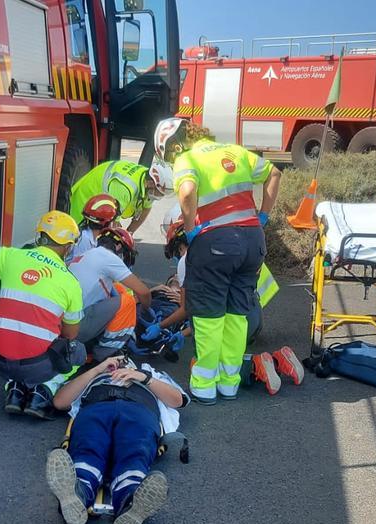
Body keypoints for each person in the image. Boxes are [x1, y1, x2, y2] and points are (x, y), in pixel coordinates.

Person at [154, 117, 283, 403]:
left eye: (169, 154)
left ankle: (203, 385)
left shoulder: (188, 159)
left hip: (215, 243)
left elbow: (187, 192)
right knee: (237, 314)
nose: (173, 160)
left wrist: (189, 230)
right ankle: (229, 383)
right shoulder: (236, 151)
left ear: (175, 145)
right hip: (252, 241)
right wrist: (263, 215)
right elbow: (274, 173)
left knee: (210, 316)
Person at [146, 205, 305, 395]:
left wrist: (161, 327)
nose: (179, 255)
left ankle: (256, 364)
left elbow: (191, 310)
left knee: (205, 362)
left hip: (226, 319)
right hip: (251, 316)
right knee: (228, 352)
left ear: (180, 242)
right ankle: (279, 360)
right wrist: (184, 332)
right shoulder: (233, 243)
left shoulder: (189, 259)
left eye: (178, 249)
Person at [45, 355, 187, 524]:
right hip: (97, 407)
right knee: (90, 443)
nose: (121, 362)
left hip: (139, 409)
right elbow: (60, 402)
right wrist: (97, 370)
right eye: (116, 358)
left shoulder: (150, 374)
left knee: (134, 448)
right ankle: (78, 493)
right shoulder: (94, 376)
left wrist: (143, 377)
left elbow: (177, 400)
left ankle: (130, 500)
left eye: (125, 358)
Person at [0, 211, 85, 418]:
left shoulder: (12, 256)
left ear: (39, 237)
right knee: (77, 351)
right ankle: (43, 390)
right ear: (68, 247)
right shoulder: (71, 282)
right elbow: (70, 335)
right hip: (35, 366)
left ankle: (15, 389)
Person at [68, 226, 151, 361]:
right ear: (118, 246)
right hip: (75, 327)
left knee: (117, 288)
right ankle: (105, 354)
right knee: (128, 302)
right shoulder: (108, 257)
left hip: (66, 323)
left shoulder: (87, 254)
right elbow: (144, 292)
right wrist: (145, 310)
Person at [68, 159, 173, 239]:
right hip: (85, 201)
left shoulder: (146, 178)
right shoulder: (125, 188)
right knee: (76, 241)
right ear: (151, 183)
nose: (160, 196)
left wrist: (129, 233)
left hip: (99, 204)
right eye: (160, 193)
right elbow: (112, 224)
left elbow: (146, 208)